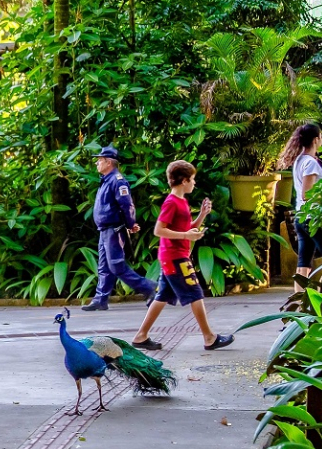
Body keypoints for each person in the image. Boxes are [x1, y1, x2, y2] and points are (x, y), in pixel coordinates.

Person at [130, 160, 234, 351]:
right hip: (175, 257)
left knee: (162, 296)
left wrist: (201, 216)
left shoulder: (182, 202)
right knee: (195, 293)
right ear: (184, 180)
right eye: (192, 179)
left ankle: (140, 336)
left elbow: (185, 227)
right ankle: (209, 338)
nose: (194, 183)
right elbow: (159, 230)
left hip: (173, 256)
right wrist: (186, 235)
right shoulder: (171, 203)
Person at [82, 146, 156, 311]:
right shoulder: (106, 180)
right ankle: (100, 299)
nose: (97, 163)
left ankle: (149, 287)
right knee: (104, 266)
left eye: (99, 160)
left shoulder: (117, 180)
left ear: (108, 162)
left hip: (114, 229)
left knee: (116, 265)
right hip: (105, 230)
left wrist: (130, 224)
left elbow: (126, 204)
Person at [276, 123, 322, 292]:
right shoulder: (310, 163)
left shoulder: (300, 160)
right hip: (314, 219)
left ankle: (299, 304)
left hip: (302, 217)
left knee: (303, 264)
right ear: (315, 140)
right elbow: (307, 193)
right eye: (321, 138)